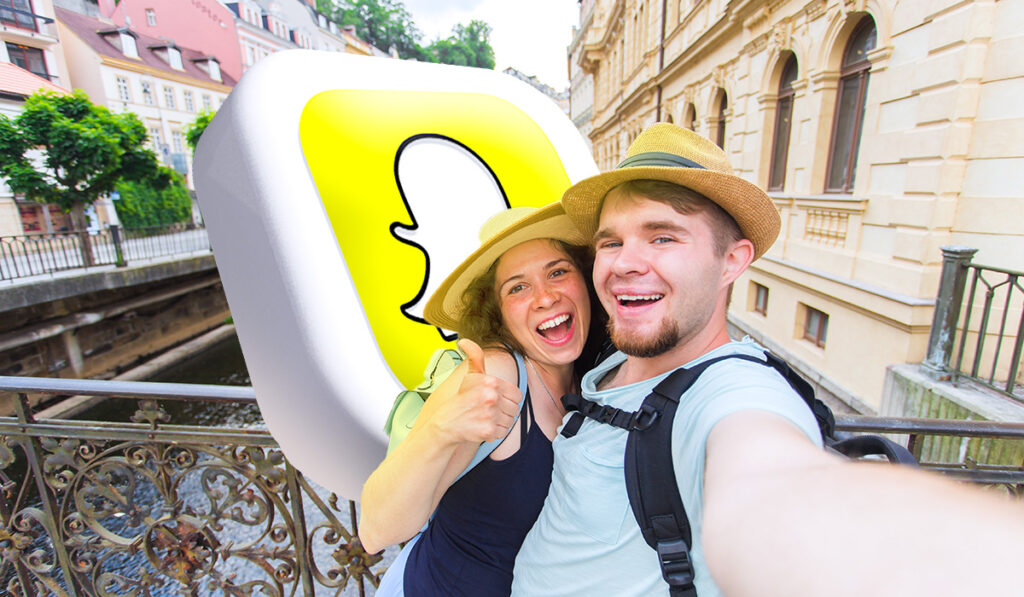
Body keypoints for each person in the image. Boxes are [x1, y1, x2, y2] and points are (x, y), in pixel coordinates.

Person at [511, 123, 1024, 597]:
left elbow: (778, 488)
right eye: (611, 242)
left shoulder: (736, 395)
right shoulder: (612, 357)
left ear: (732, 260)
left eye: (663, 236)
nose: (624, 263)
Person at [359, 202, 603, 596]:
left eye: (558, 272)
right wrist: (441, 430)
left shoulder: (591, 375)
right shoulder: (495, 372)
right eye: (518, 287)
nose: (545, 297)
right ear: (499, 313)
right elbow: (375, 530)